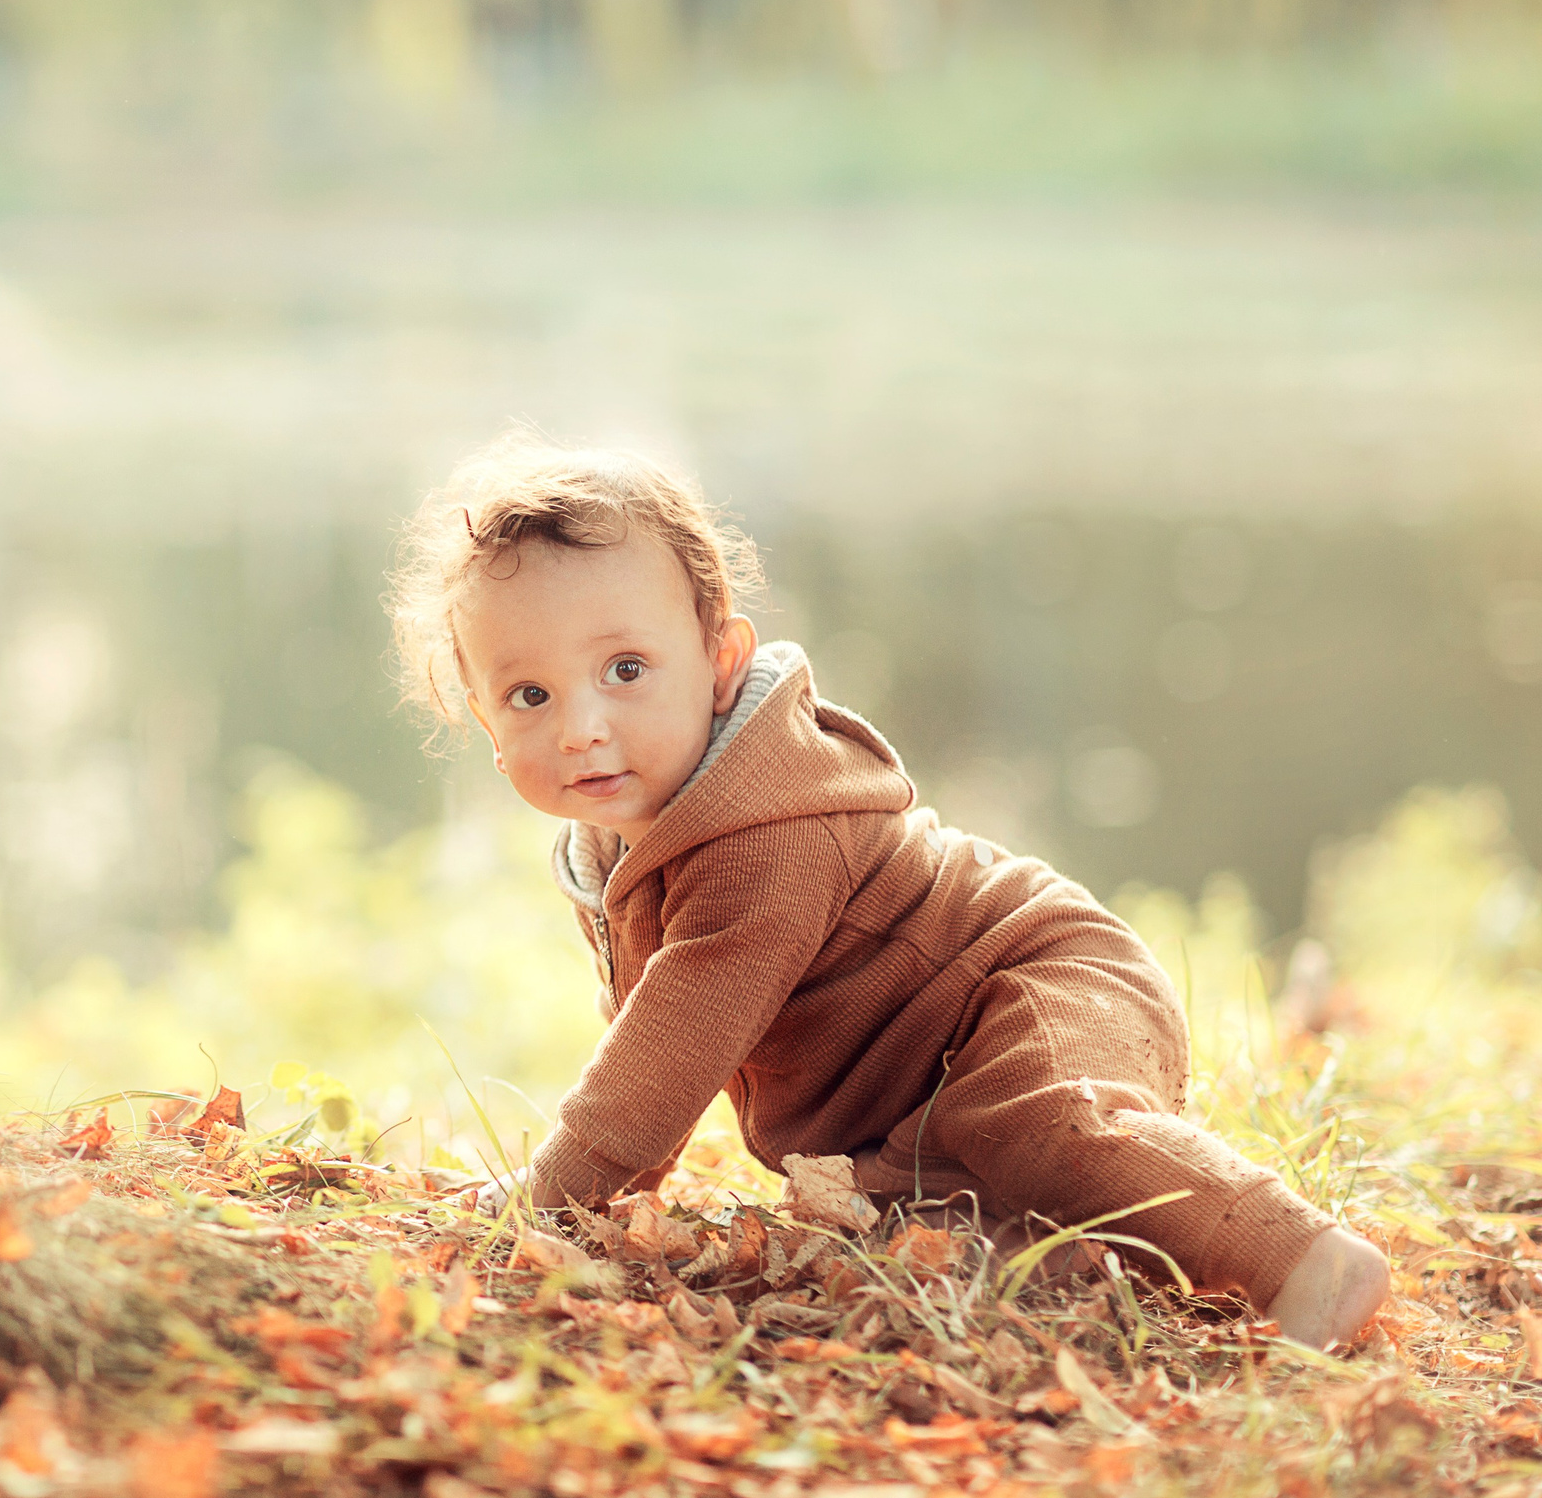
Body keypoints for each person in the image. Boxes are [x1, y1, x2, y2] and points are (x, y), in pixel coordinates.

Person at [385, 431, 1391, 1348]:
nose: (580, 725)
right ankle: (1098, 1245)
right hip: (914, 1080)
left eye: (627, 668)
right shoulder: (611, 839)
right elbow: (647, 1025)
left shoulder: (763, 835)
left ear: (720, 661)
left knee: (1035, 1117)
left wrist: (553, 1195)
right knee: (928, 1213)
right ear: (479, 711)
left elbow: (668, 1050)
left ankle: (1304, 1258)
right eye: (530, 694)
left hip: (1033, 977)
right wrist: (610, 1184)